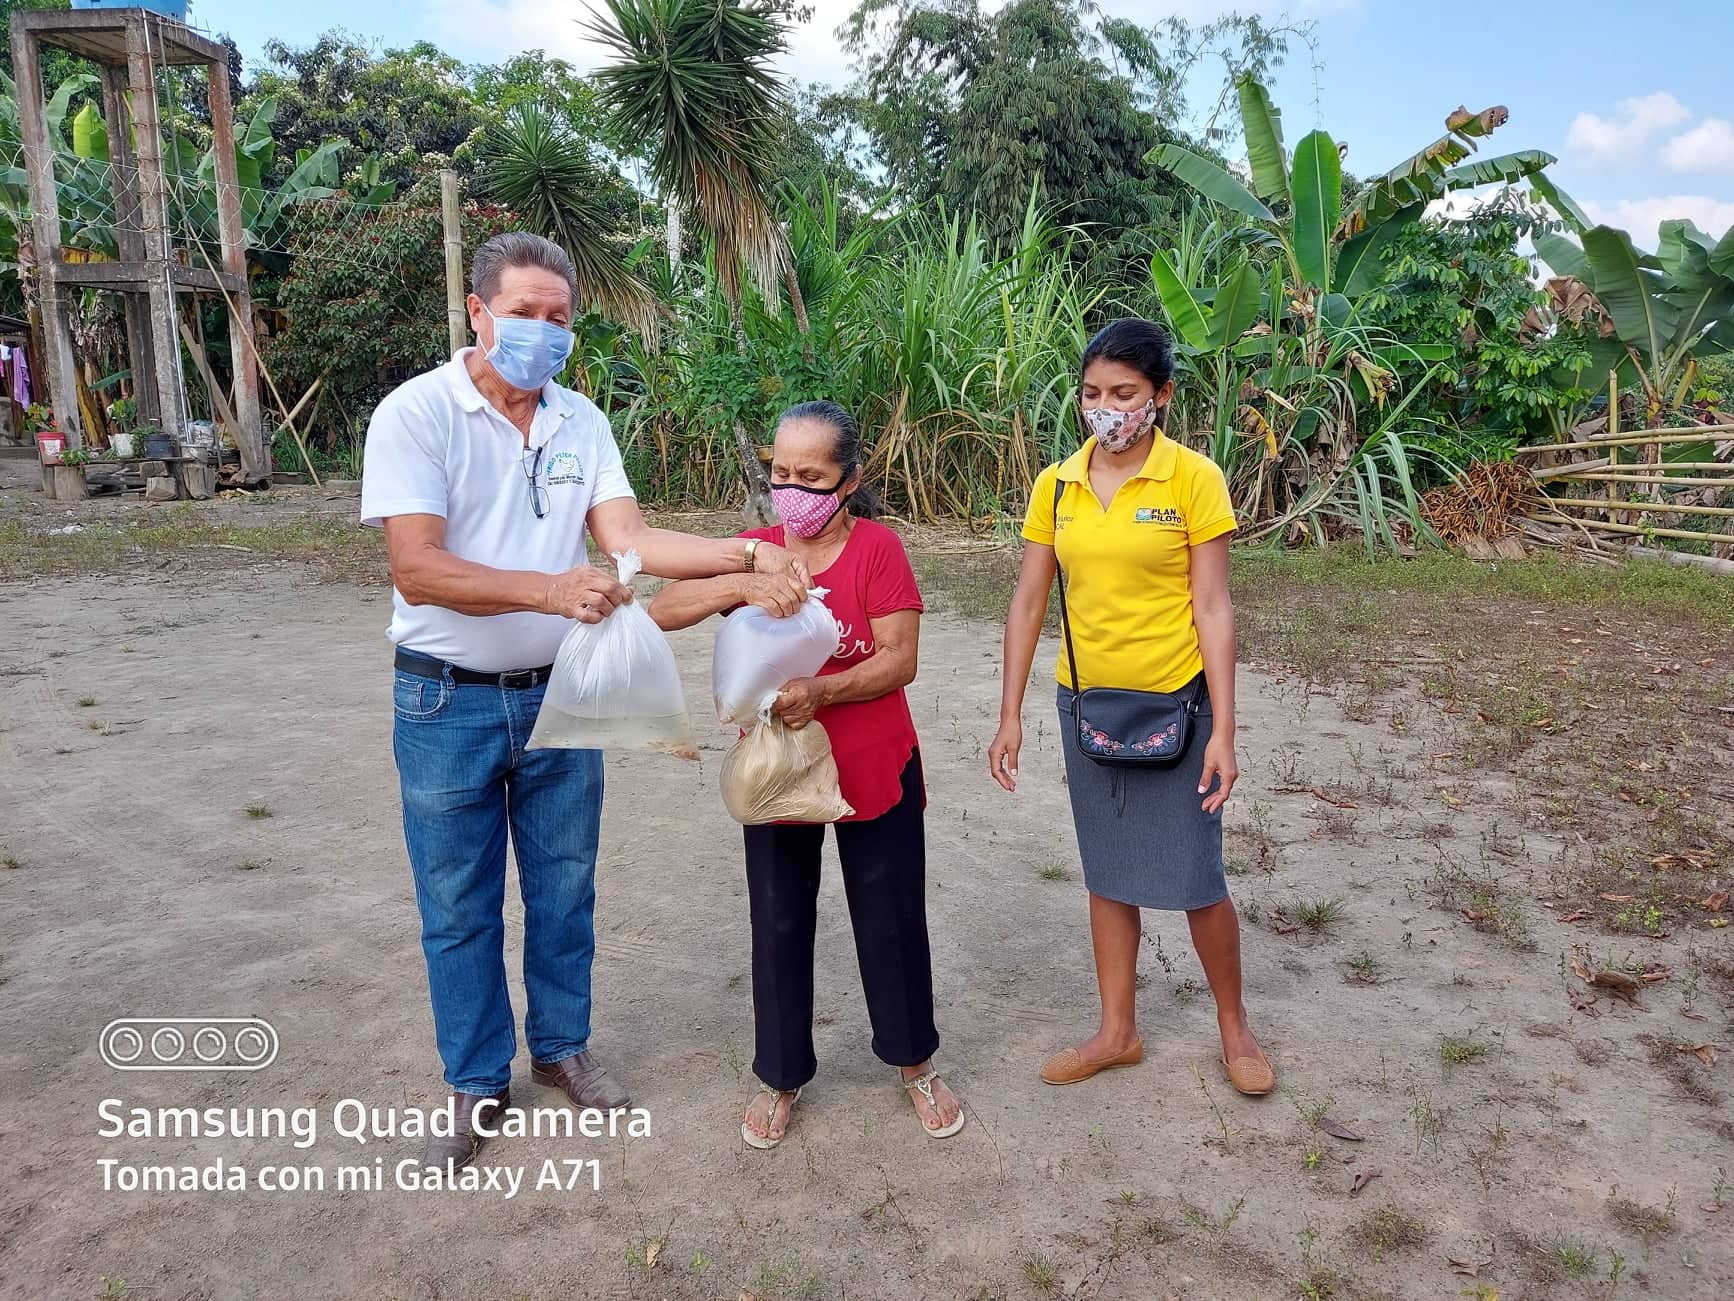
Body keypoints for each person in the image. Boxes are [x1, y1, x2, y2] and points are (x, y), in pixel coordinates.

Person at [360, 232, 811, 1171]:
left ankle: (562, 1046)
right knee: (458, 901)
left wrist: (746, 551)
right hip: (445, 701)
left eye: (559, 317)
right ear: (478, 313)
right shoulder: (418, 413)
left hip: (561, 694)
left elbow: (631, 538)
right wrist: (550, 589)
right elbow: (417, 566)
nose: (543, 330)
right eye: (523, 312)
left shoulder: (581, 422)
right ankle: (475, 1079)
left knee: (565, 886)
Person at [648, 400, 965, 1148]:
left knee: (890, 916)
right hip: (777, 772)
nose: (793, 491)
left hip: (872, 762)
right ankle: (779, 1074)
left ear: (849, 480)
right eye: (781, 474)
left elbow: (900, 658)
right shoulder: (755, 550)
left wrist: (821, 691)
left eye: (812, 477)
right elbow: (663, 608)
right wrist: (739, 584)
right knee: (778, 916)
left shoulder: (878, 549)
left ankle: (915, 1062)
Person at [987, 318, 1274, 1096]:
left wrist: (1225, 730)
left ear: (1161, 395)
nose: (1106, 408)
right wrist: (1010, 713)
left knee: (1197, 875)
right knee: (1108, 871)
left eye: (1124, 393)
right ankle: (1117, 1031)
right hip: (1086, 707)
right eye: (1092, 393)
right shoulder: (1057, 485)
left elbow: (1213, 606)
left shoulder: (1193, 479)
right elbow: (1028, 601)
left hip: (1181, 707)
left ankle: (1235, 1027)